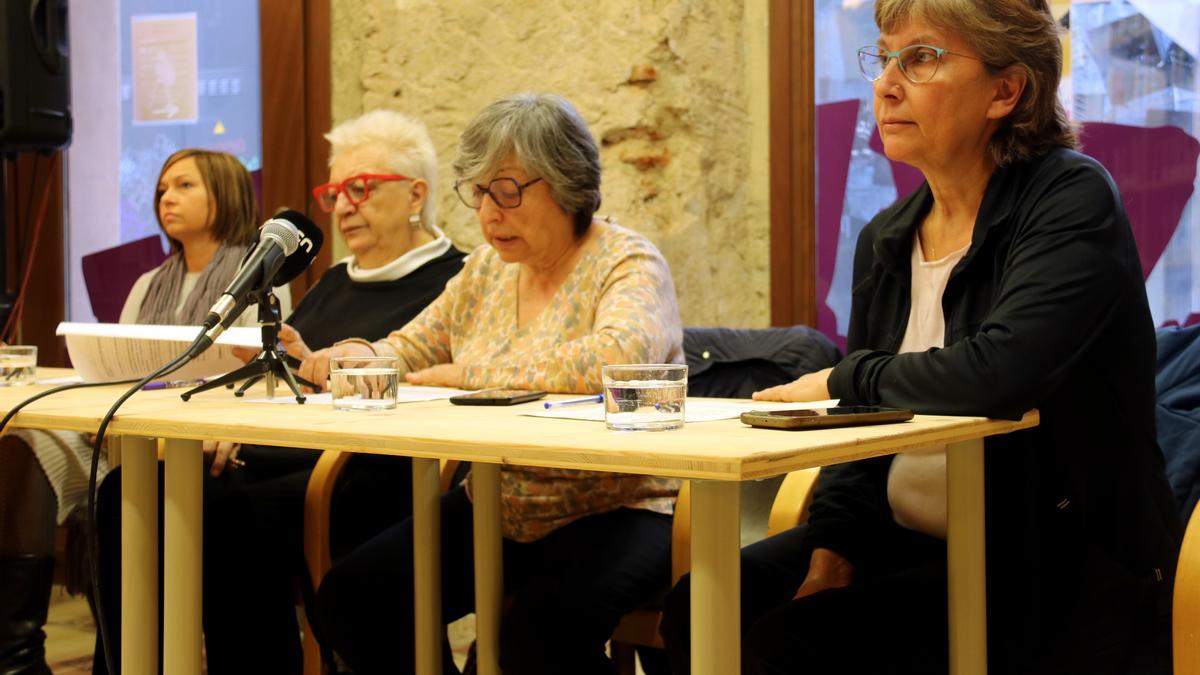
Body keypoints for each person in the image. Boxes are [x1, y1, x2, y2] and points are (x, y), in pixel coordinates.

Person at [659, 1, 1180, 673]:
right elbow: (859, 438)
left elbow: (995, 374)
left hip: (1048, 562)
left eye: (922, 58)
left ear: (1005, 90)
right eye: (884, 57)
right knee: (702, 606)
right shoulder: (888, 237)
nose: (885, 84)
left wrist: (842, 377)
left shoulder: (1071, 198)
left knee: (787, 645)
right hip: (902, 536)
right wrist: (834, 548)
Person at [302, 93, 683, 675]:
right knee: (353, 600)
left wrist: (472, 377)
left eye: (507, 191)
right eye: (478, 192)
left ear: (567, 183)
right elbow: (414, 347)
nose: (487, 213)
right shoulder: (485, 270)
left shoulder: (627, 261)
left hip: (620, 505)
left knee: (535, 638)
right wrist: (359, 357)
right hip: (502, 505)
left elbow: (617, 359)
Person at [90, 110, 467, 674]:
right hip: (283, 454)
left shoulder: (456, 280)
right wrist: (235, 418)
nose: (342, 207)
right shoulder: (334, 280)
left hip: (375, 471)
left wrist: (315, 378)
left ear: (416, 194)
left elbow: (435, 388)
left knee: (227, 512)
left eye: (360, 188)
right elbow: (292, 377)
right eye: (333, 193)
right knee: (127, 491)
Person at [0, 149, 282, 675]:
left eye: (184, 186)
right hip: (126, 435)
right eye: (161, 190)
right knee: (27, 438)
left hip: (201, 441)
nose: (166, 198)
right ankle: (17, 651)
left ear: (225, 192)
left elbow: (259, 380)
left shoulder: (260, 284)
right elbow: (117, 369)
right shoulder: (148, 283)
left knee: (127, 487)